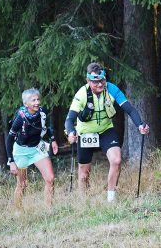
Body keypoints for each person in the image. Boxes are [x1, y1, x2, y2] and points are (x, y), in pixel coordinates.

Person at [64, 62, 150, 202]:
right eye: (95, 82)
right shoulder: (82, 94)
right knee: (84, 174)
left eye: (102, 81)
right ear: (88, 81)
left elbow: (130, 109)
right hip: (86, 134)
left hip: (105, 130)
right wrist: (71, 132)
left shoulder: (111, 89)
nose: (99, 84)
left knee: (116, 160)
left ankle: (111, 199)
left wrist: (140, 125)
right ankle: (83, 202)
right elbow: (69, 119)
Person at [6, 88, 59, 209]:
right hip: (21, 152)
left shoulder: (42, 112)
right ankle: (18, 211)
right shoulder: (20, 118)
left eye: (38, 99)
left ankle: (49, 209)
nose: (37, 102)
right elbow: (9, 140)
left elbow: (47, 127)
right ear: (26, 104)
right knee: (22, 184)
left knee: (50, 179)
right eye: (33, 100)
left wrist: (53, 140)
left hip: (37, 148)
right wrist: (11, 161)